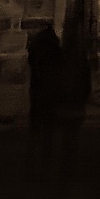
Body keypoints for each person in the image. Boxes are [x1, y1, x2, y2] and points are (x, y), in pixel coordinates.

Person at [26, 25, 62, 179]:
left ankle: (34, 163)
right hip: (50, 95)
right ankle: (46, 161)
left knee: (37, 128)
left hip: (38, 93)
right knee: (48, 130)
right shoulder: (56, 54)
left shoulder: (36, 54)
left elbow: (31, 63)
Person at [56, 35, 92, 182]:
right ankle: (71, 165)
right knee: (73, 135)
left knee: (67, 135)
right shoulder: (81, 61)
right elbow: (86, 83)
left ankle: (66, 166)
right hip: (75, 104)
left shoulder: (60, 61)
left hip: (66, 104)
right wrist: (84, 98)